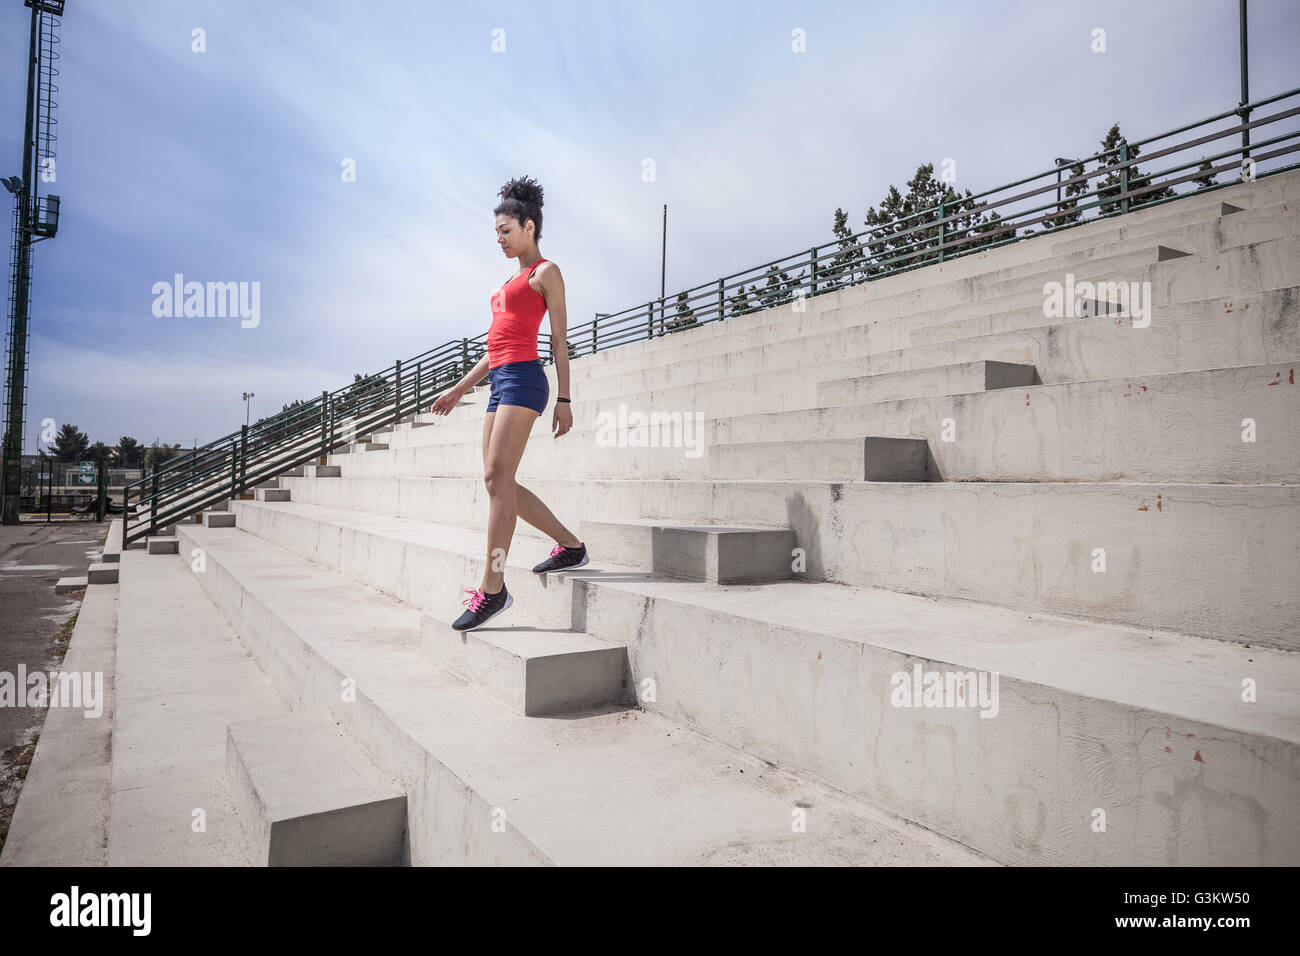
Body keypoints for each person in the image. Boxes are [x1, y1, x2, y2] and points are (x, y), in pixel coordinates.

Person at [427, 176, 589, 631]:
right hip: (499, 380)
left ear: (529, 227)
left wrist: (564, 398)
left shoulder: (546, 273)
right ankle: (571, 546)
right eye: (496, 231)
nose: (498, 238)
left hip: (525, 381)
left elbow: (559, 340)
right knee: (497, 482)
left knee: (499, 478)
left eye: (505, 230)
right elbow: (494, 347)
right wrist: (460, 388)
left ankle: (492, 590)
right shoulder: (508, 280)